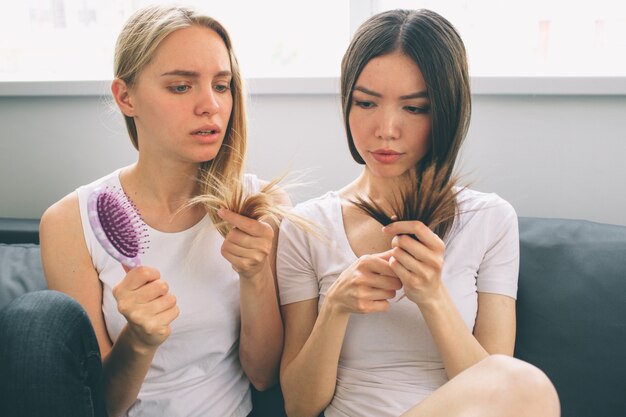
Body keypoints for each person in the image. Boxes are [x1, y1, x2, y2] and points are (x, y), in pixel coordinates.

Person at [0, 5, 286, 417]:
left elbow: (264, 379)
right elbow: (99, 404)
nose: (211, 106)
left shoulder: (259, 210)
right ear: (125, 96)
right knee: (31, 321)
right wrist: (139, 340)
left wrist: (256, 277)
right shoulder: (69, 223)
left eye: (221, 86)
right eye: (181, 87)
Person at [276, 9, 560, 417]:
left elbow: (499, 394)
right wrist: (336, 305)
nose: (386, 128)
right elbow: (300, 407)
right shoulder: (308, 225)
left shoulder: (491, 219)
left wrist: (432, 296)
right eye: (366, 102)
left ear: (445, 112)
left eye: (414, 108)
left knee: (525, 387)